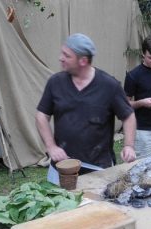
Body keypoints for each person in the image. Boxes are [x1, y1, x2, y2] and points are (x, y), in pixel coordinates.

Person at [36, 33, 136, 185]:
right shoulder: (55, 83)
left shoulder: (109, 86)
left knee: (96, 208)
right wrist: (51, 146)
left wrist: (128, 145)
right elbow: (41, 115)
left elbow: (128, 116)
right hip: (62, 167)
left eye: (66, 55)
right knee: (62, 208)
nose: (61, 58)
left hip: (98, 169)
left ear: (83, 60)